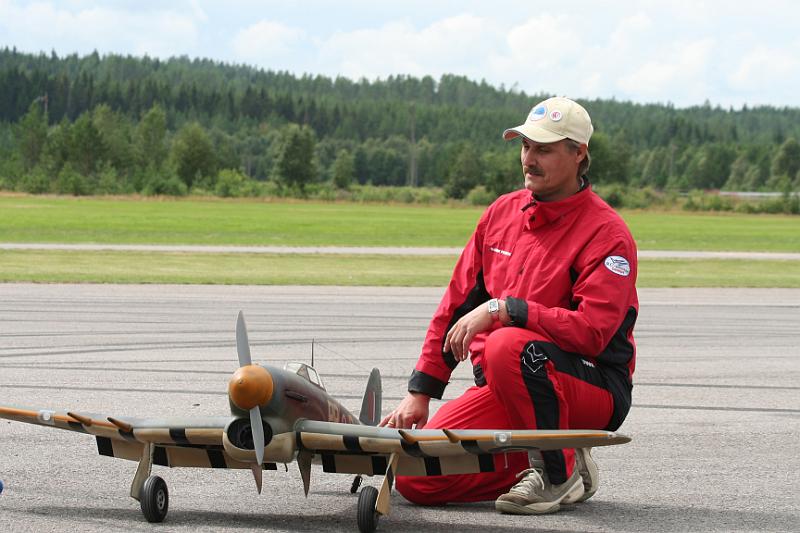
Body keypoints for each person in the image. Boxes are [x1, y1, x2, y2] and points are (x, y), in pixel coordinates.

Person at [380, 96, 638, 515]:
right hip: (509, 384)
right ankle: (565, 460)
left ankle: (557, 473)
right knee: (416, 476)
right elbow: (456, 305)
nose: (529, 160)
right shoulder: (501, 213)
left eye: (544, 149)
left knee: (507, 344)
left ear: (579, 154)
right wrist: (420, 393)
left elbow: (593, 332)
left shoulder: (607, 234)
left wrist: (506, 309)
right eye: (526, 146)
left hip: (591, 387)